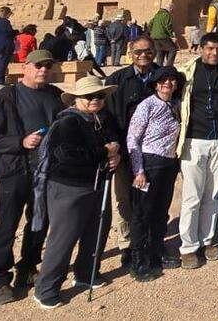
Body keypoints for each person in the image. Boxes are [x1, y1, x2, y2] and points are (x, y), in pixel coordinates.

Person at [0, 49, 63, 305]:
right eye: (38, 65)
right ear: (25, 67)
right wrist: (20, 142)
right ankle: (0, 280)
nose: (43, 70)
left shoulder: (56, 96)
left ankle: (27, 267)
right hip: (14, 171)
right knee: (7, 225)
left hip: (44, 171)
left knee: (38, 221)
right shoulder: (7, 98)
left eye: (47, 66)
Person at [31, 77, 121, 309]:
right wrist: (104, 153)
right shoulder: (68, 121)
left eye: (100, 96)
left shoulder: (103, 118)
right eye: (89, 96)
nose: (95, 100)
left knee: (96, 231)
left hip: (97, 184)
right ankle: (46, 289)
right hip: (69, 187)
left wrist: (116, 155)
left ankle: (86, 273)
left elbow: (115, 142)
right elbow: (67, 154)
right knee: (64, 238)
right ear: (77, 99)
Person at [173, 32, 218, 268]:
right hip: (194, 139)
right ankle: (188, 246)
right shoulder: (187, 72)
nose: (214, 53)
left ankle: (206, 240)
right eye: (209, 48)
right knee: (192, 195)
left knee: (212, 194)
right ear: (200, 48)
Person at [102, 36, 160, 269]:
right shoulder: (117, 80)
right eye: (138, 52)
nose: (143, 56)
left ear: (154, 52)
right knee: (124, 197)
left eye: (148, 51)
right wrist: (113, 146)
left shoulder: (163, 76)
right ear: (130, 53)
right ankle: (127, 243)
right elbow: (107, 116)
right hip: (125, 149)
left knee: (151, 196)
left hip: (154, 151)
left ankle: (149, 238)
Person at [124, 65, 182, 282]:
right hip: (148, 164)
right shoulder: (146, 105)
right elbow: (133, 139)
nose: (167, 83)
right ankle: (138, 261)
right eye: (162, 80)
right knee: (142, 214)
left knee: (161, 211)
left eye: (171, 79)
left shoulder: (176, 105)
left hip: (168, 164)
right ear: (155, 84)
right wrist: (138, 170)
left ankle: (157, 252)